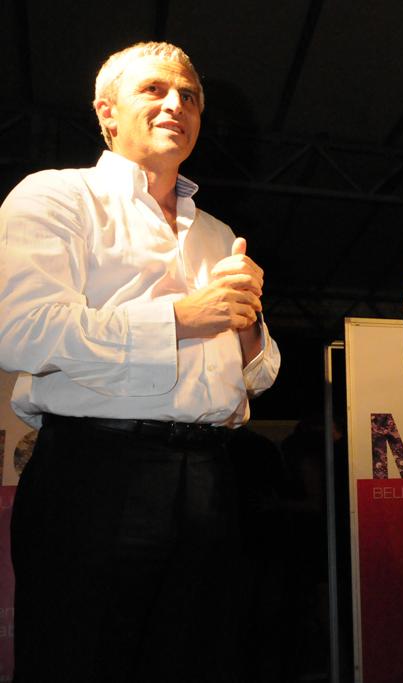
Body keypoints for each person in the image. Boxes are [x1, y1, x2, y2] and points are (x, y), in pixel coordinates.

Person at [0, 41, 280, 682]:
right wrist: (184, 316)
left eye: (190, 96)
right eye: (155, 89)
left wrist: (246, 324)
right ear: (107, 112)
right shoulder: (56, 197)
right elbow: (20, 331)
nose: (176, 104)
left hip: (212, 476)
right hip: (95, 474)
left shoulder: (216, 233)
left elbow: (258, 377)